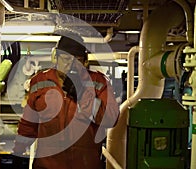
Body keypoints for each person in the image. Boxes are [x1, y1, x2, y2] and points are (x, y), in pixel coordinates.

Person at [12, 32, 120, 169]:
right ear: (55, 59)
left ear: (85, 62)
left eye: (77, 60)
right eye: (65, 59)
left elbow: (111, 119)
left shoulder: (98, 83)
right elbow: (28, 125)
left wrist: (82, 94)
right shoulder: (40, 82)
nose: (71, 65)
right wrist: (18, 153)